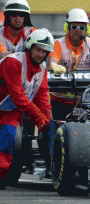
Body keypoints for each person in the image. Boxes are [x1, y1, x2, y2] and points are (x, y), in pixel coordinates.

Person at [0, 28, 54, 189]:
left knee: (9, 137)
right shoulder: (13, 62)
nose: (41, 54)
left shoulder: (42, 68)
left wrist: (47, 122)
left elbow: (43, 97)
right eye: (38, 49)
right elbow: (19, 97)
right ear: (29, 47)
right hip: (10, 107)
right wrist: (38, 116)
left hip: (9, 112)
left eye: (45, 51)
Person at [48, 8, 90, 120]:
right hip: (60, 100)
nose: (78, 30)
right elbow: (52, 61)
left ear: (87, 29)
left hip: (85, 100)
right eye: (74, 27)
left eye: (82, 27)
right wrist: (54, 66)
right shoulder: (58, 44)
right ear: (67, 28)